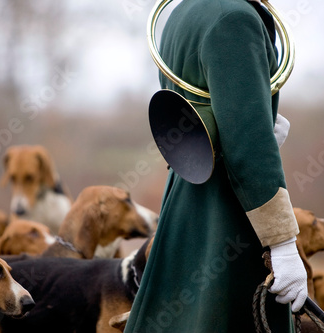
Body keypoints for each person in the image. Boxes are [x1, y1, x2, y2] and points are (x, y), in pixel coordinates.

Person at [124, 0, 307, 332]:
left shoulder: (184, 10)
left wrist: (257, 119)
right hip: (225, 215)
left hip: (186, 198)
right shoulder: (234, 18)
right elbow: (247, 147)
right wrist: (282, 243)